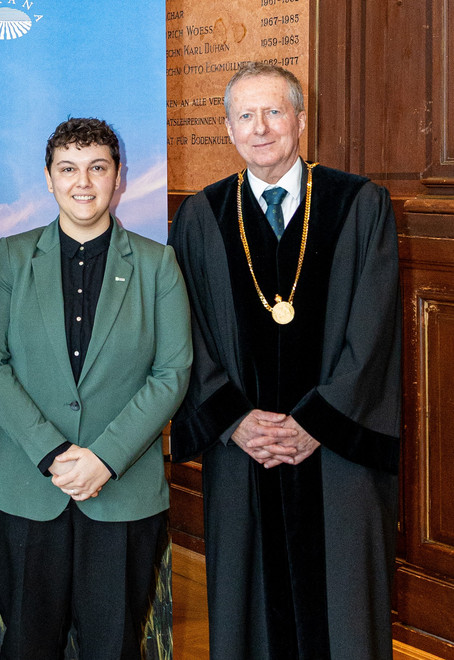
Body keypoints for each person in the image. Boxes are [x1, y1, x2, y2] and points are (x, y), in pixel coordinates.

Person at [168, 62, 401, 660]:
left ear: (301, 118)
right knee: (249, 608)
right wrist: (236, 421)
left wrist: (314, 424)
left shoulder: (359, 205)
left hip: (335, 456)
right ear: (228, 129)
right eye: (245, 116)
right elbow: (185, 337)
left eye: (275, 111)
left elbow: (373, 334)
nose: (261, 127)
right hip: (242, 450)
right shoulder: (203, 216)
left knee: (343, 610)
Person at [0, 117, 192, 659]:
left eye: (98, 167)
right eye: (68, 169)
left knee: (113, 645)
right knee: (26, 645)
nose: (84, 182)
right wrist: (52, 452)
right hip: (25, 487)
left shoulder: (156, 263)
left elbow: (172, 373)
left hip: (122, 491)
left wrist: (105, 458)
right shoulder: (13, 256)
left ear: (119, 178)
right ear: (48, 179)